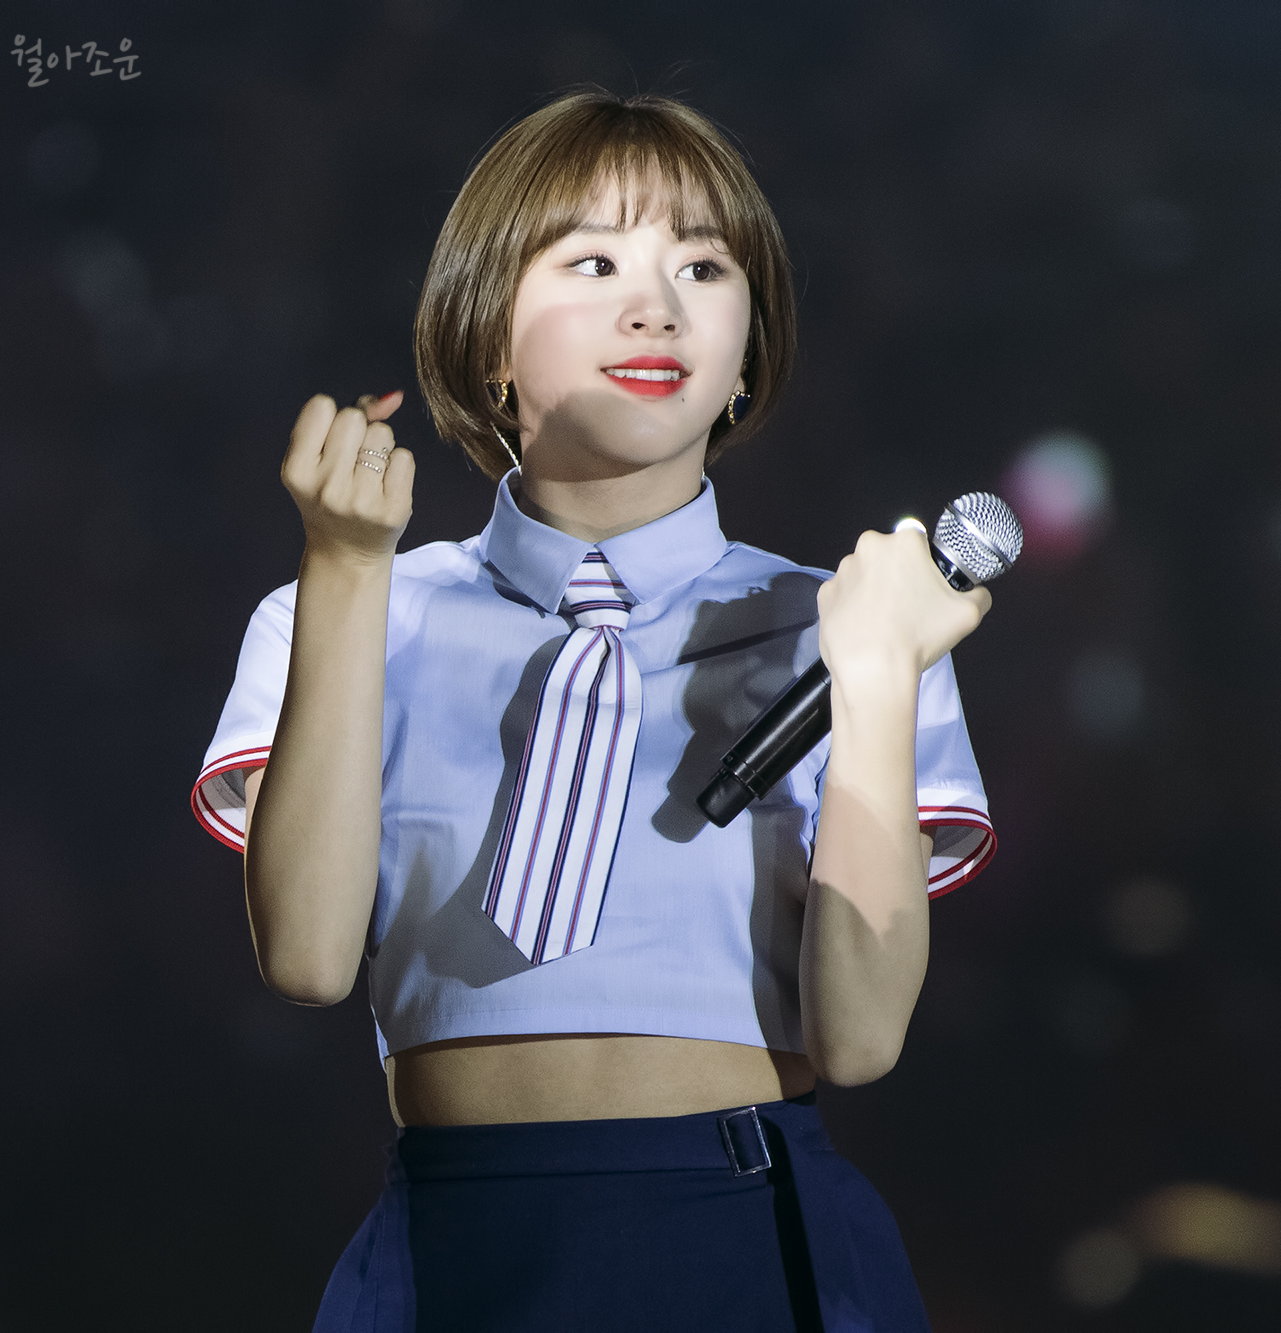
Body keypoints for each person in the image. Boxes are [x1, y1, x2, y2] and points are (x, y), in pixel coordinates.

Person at [191, 90, 997, 1332]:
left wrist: (880, 676)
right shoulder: (351, 610)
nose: (656, 305)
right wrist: (344, 567)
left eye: (702, 267)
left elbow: (859, 1039)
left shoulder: (845, 622)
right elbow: (305, 956)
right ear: (488, 335)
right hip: (457, 1238)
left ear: (745, 353)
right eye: (593, 261)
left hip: (741, 1227)